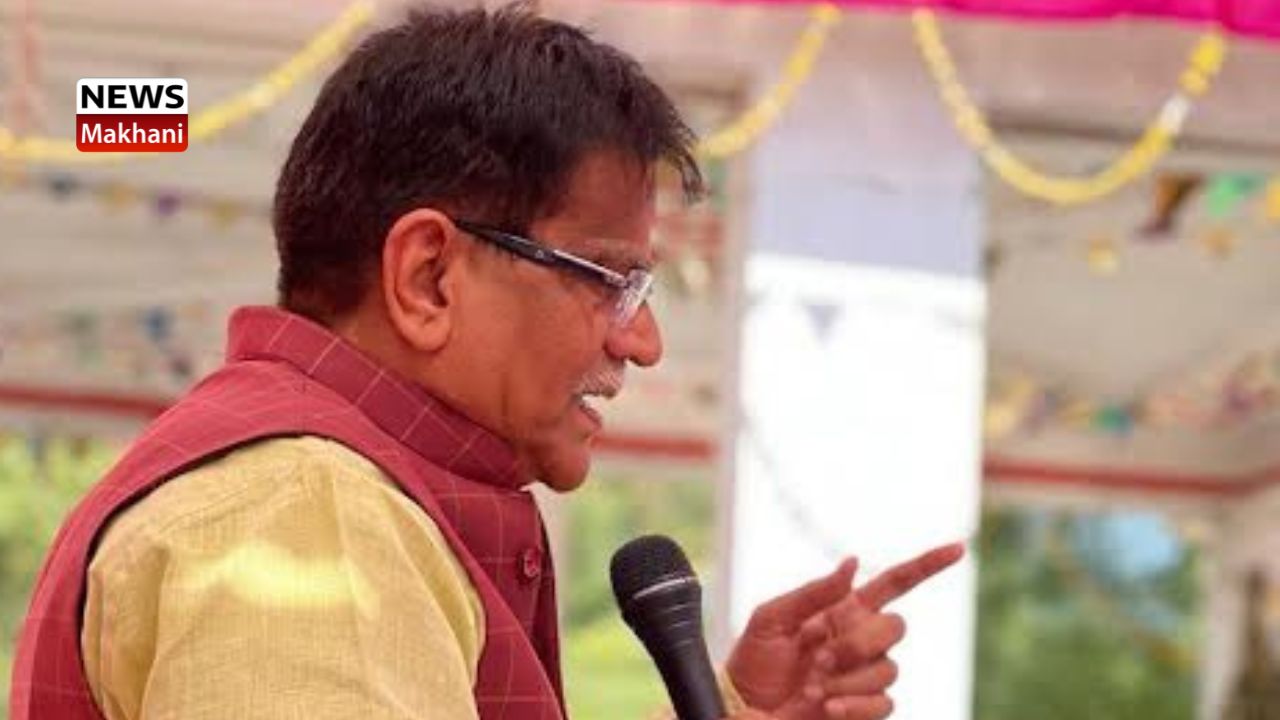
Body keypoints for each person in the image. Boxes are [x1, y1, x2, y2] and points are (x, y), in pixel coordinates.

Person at [10, 6, 962, 720]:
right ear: (428, 277)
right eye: (613, 281)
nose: (642, 342)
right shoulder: (308, 516)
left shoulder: (312, 494)